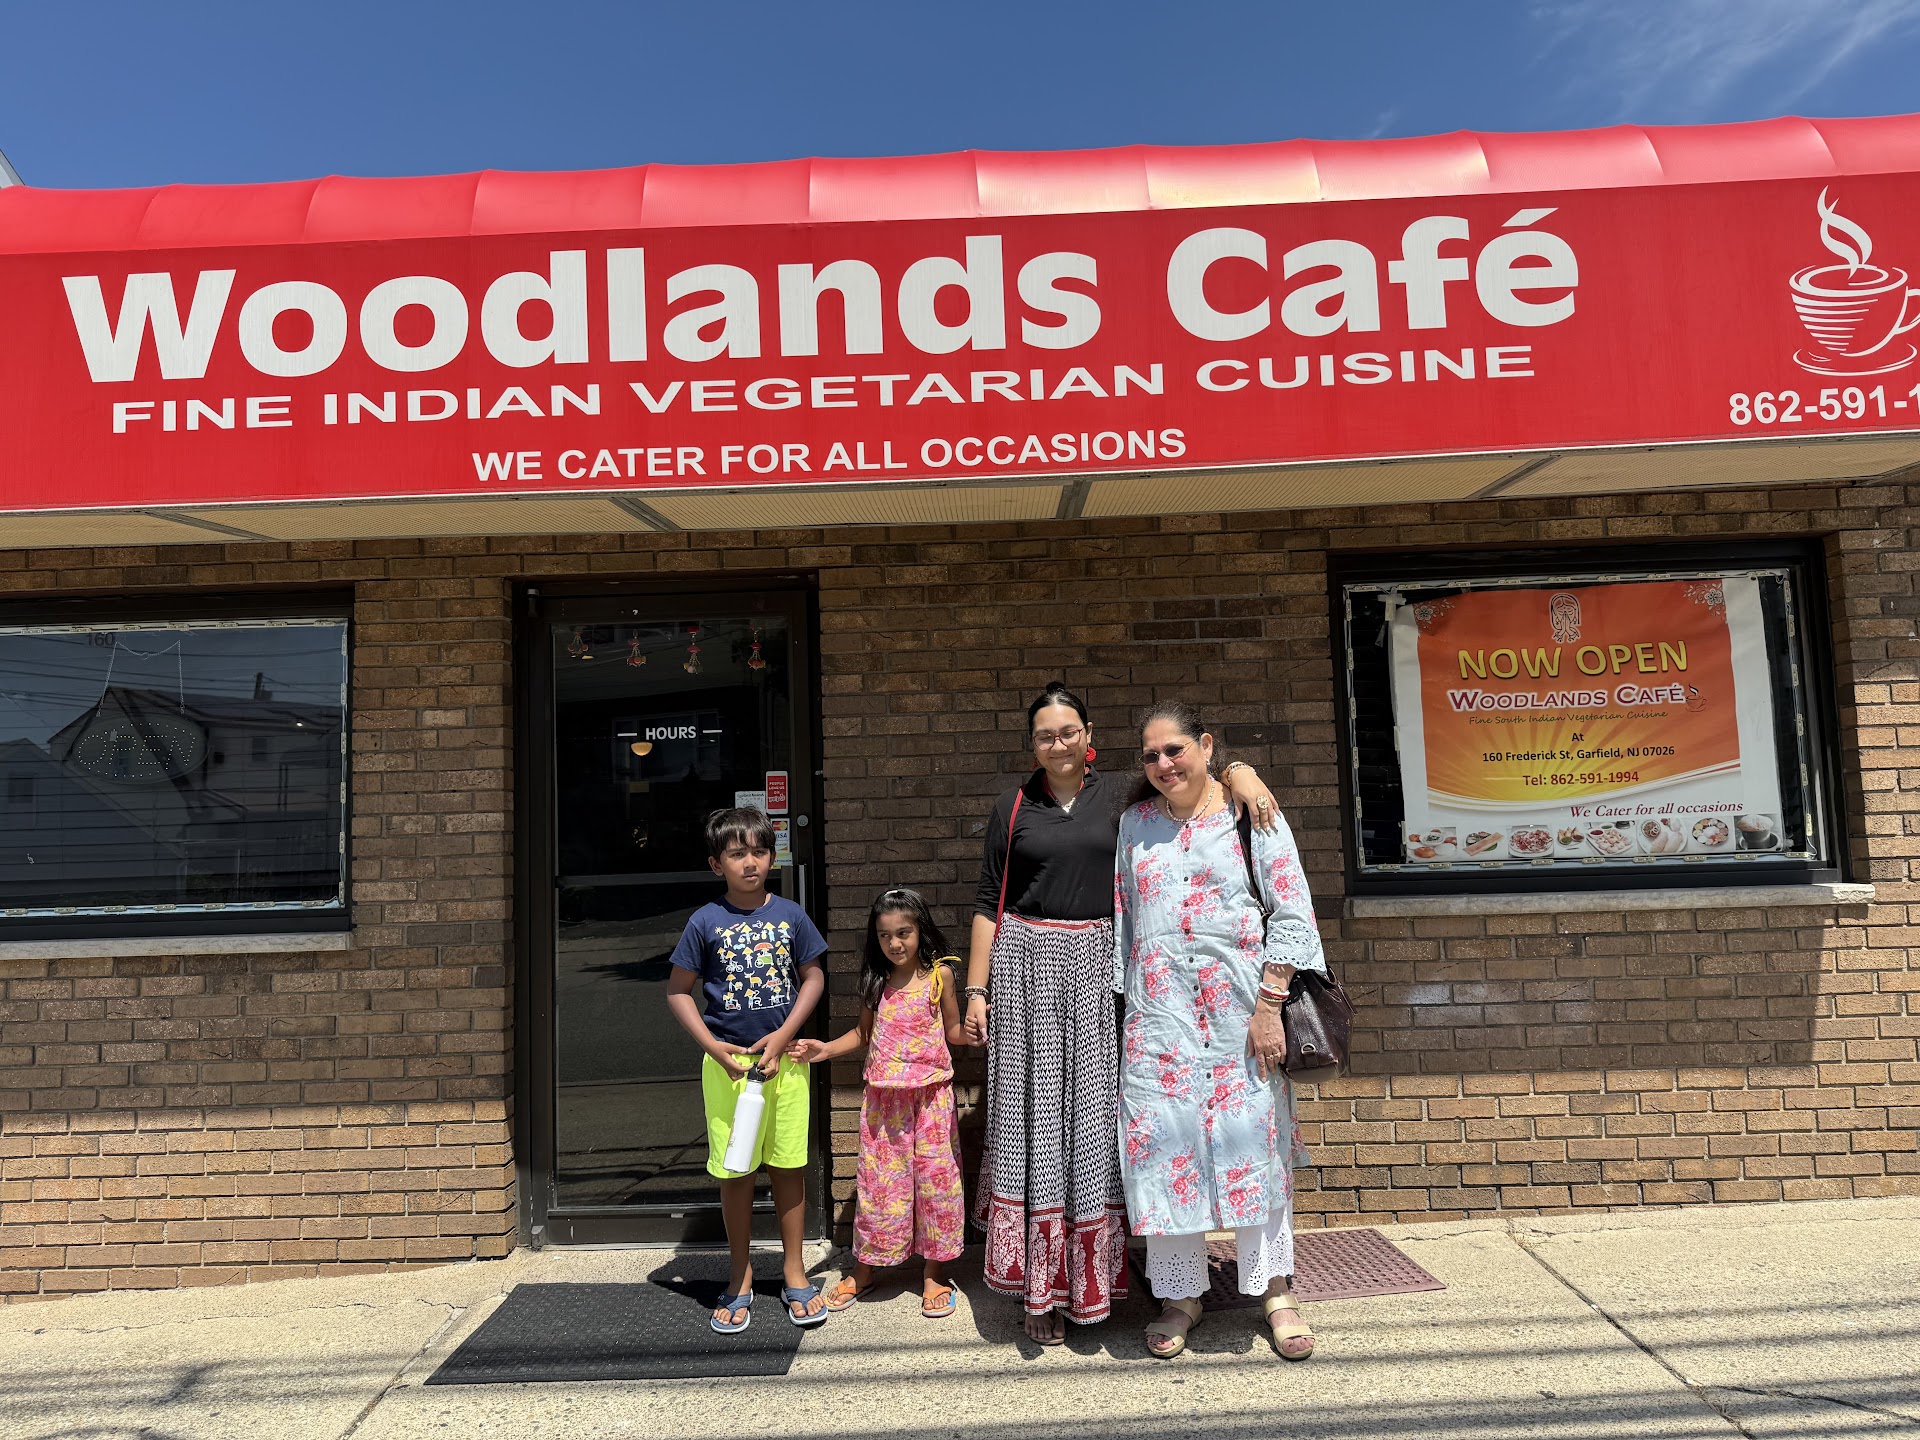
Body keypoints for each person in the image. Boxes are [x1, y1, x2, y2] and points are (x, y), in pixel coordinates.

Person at [962, 680, 1282, 1345]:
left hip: (1099, 979)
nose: (1058, 744)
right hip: (1024, 978)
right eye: (1045, 735)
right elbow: (989, 901)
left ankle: (1090, 1286)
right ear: (1032, 744)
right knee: (1030, 1129)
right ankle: (1039, 1290)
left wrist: (1243, 773)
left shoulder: (1121, 798)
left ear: (1088, 737)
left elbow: (1192, 778)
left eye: (1068, 732)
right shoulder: (1013, 805)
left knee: (1091, 1130)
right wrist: (975, 991)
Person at [1112, 700, 1325, 1361]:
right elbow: (1125, 922)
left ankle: (1276, 1293)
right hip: (1159, 1025)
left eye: (1174, 749)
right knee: (1165, 1155)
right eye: (1151, 755)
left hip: (1242, 1017)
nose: (1163, 763)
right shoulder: (1134, 825)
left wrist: (1269, 1006)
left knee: (1254, 1146)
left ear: (1205, 746)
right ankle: (1182, 1296)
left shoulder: (1250, 813)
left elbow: (1291, 912)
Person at [665, 806, 830, 1334]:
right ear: (717, 864)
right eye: (737, 854)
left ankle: (794, 1271)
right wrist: (714, 1047)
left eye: (759, 851)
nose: (751, 862)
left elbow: (813, 977)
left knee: (788, 1167)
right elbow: (678, 991)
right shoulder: (704, 921)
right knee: (734, 1171)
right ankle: (739, 1275)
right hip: (729, 1068)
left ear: (772, 857)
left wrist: (783, 1036)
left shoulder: (791, 915)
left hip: (786, 1065)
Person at [789, 888, 969, 1319]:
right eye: (885, 935)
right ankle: (865, 1270)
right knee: (880, 1188)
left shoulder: (941, 977)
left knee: (936, 1185)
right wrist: (825, 1050)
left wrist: (979, 1030)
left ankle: (934, 1274)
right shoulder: (875, 981)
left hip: (932, 1100)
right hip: (884, 1104)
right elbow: (863, 1034)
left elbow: (954, 1030)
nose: (894, 943)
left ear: (920, 930)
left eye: (903, 933)